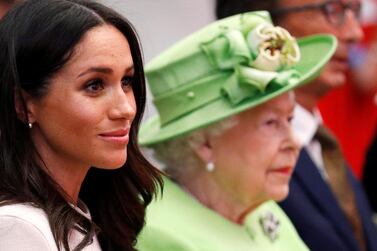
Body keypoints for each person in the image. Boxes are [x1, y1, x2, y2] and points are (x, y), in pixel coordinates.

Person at [136, 11, 336, 251]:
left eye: (290, 119)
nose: (294, 142)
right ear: (204, 142)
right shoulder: (157, 233)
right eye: (271, 123)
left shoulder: (258, 209)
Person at [0, 0, 162, 250]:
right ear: (24, 105)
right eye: (94, 85)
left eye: (127, 82)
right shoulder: (19, 227)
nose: (126, 109)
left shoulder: (86, 215)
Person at [217, 1, 377, 251]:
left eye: (355, 11)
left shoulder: (322, 142)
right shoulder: (237, 160)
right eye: (333, 11)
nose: (354, 33)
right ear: (262, 25)